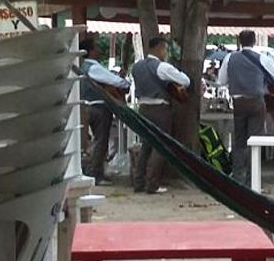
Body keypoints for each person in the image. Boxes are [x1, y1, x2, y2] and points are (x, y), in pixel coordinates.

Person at [217, 30, 274, 185]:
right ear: (254, 41)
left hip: (238, 102)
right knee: (255, 141)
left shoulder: (230, 58)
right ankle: (252, 179)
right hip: (256, 102)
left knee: (239, 141)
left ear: (240, 42)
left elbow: (221, 81)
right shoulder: (262, 58)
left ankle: (237, 177)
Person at [132, 36, 191, 194]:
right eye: (165, 49)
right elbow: (185, 81)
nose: (165, 53)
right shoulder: (162, 67)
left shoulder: (136, 67)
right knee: (160, 146)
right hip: (160, 109)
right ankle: (152, 183)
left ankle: (138, 181)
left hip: (143, 108)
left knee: (146, 145)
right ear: (159, 48)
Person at [79, 37, 131, 186]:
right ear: (91, 51)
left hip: (85, 106)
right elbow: (114, 81)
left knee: (92, 141)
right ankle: (96, 173)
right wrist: (124, 83)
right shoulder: (94, 67)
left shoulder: (82, 67)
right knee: (101, 141)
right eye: (96, 47)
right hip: (99, 107)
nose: (99, 50)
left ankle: (92, 170)